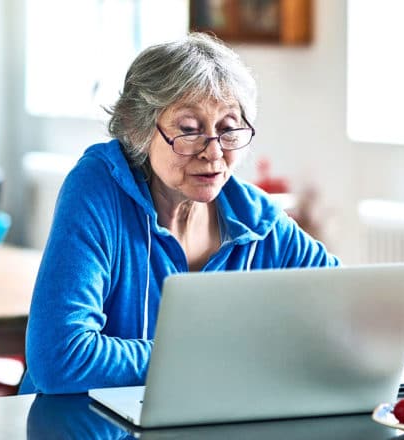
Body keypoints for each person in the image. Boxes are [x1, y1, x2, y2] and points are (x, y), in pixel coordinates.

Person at [19, 33, 339, 394]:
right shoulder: (98, 190)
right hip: (76, 425)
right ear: (137, 129)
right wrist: (215, 358)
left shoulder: (255, 218)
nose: (213, 151)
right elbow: (60, 358)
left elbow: (346, 312)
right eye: (189, 131)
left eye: (228, 128)